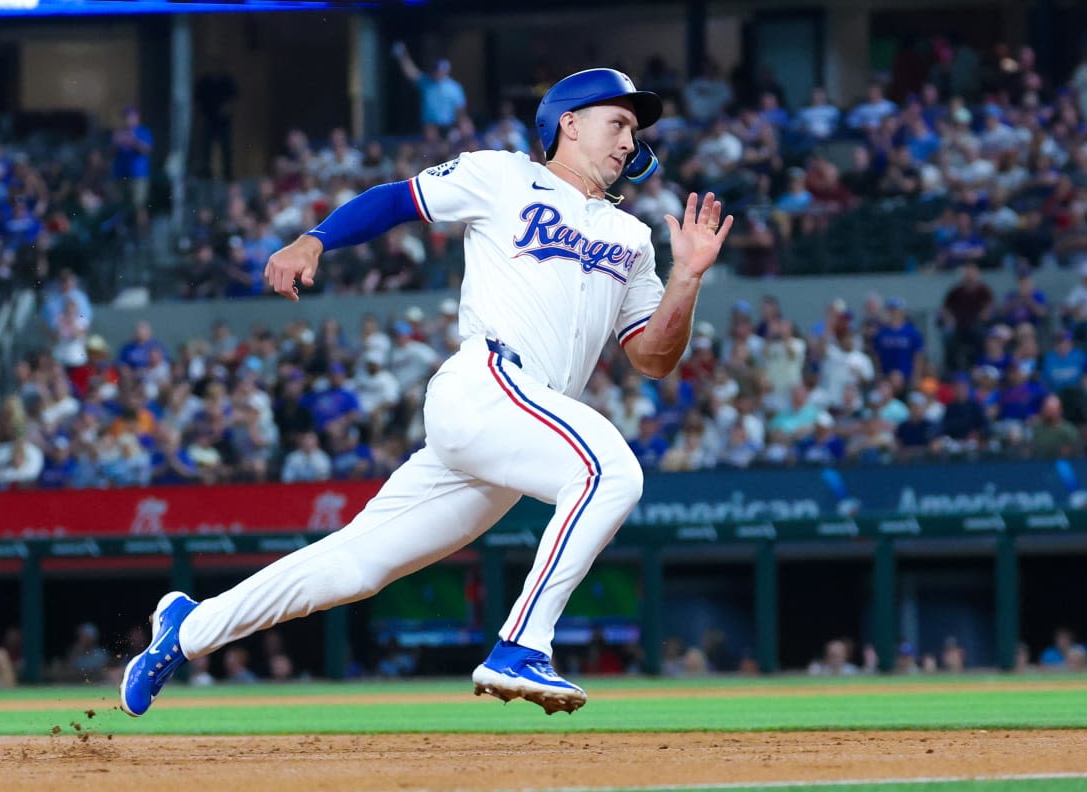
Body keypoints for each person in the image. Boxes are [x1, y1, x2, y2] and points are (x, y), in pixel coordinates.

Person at [121, 68, 730, 717]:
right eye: (618, 123)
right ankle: (522, 646)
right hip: (487, 383)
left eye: (634, 132)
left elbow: (653, 358)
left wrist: (687, 279)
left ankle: (185, 630)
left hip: (516, 431)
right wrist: (315, 238)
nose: (628, 142)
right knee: (611, 473)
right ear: (569, 123)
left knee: (356, 567)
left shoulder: (633, 238)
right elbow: (395, 199)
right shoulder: (503, 176)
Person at [392, 43, 467, 129]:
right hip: (430, 127)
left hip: (448, 126)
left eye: (440, 70)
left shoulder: (454, 87)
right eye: (436, 70)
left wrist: (459, 127)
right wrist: (402, 56)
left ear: (446, 71)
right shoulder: (426, 82)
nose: (438, 73)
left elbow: (460, 110)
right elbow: (411, 72)